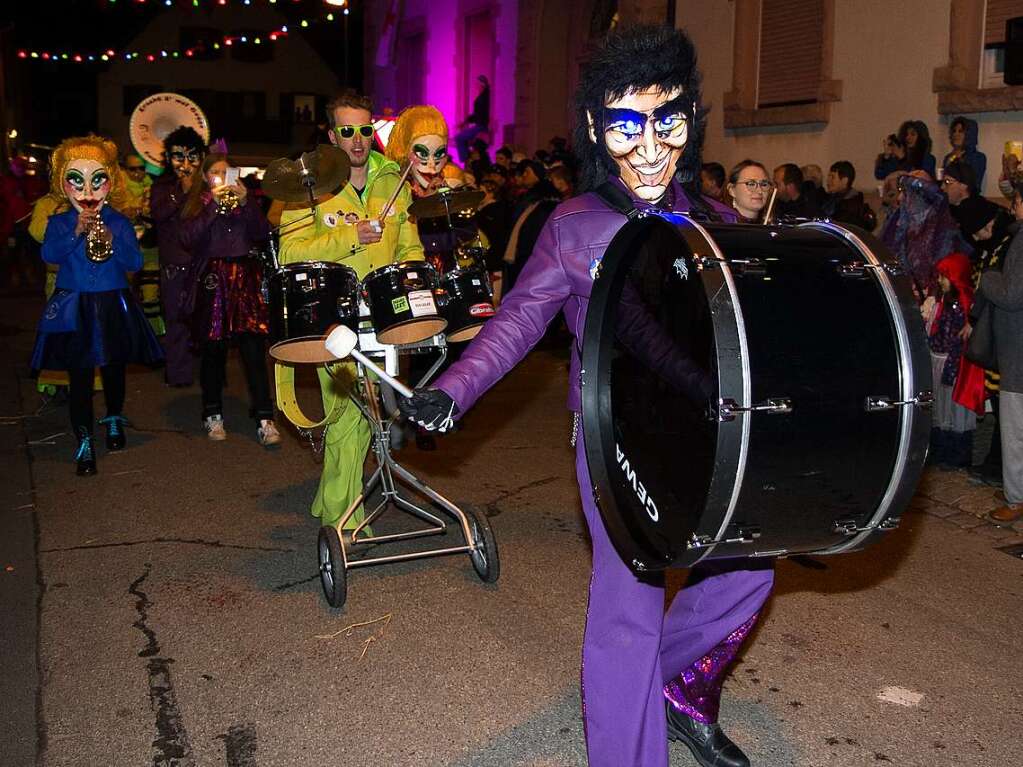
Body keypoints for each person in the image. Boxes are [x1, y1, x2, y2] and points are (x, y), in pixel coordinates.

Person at [400, 25, 772, 767]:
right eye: (625, 124)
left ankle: (668, 688)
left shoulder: (716, 223)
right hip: (613, 441)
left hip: (709, 438)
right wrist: (451, 389)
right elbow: (515, 323)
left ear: (689, 121)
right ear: (597, 130)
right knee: (626, 607)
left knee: (749, 570)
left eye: (664, 120)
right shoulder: (572, 226)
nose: (647, 146)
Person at [278, 88, 424, 531]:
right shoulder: (309, 185)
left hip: (384, 315)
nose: (358, 140)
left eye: (365, 129)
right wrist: (349, 237)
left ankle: (330, 505)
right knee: (348, 414)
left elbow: (410, 241)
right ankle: (345, 522)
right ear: (331, 134)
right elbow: (289, 252)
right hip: (331, 316)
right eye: (347, 131)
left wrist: (414, 271)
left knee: (366, 419)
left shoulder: (392, 178)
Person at [30, 135, 163, 475]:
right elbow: (49, 255)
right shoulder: (60, 221)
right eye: (77, 180)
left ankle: (114, 418)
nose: (87, 190)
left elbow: (134, 263)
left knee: (114, 368)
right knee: (80, 377)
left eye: (96, 179)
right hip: (75, 305)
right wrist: (75, 230)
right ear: (63, 183)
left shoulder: (117, 220)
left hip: (112, 302)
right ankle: (84, 439)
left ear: (109, 181)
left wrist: (115, 237)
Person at [178, 152, 280, 446]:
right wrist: (212, 206)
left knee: (253, 349)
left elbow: (263, 233)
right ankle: (212, 413)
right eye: (216, 173)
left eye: (227, 172)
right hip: (214, 278)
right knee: (213, 349)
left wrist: (247, 202)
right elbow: (187, 238)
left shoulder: (244, 203)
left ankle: (264, 417)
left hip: (246, 276)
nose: (223, 178)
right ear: (206, 178)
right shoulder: (198, 203)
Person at [962, 201, 1015, 486]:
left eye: (979, 231)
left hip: (1004, 335)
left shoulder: (1007, 245)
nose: (975, 237)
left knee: (1005, 403)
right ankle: (997, 464)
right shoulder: (992, 246)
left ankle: (1000, 467)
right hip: (995, 331)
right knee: (998, 399)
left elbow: (1001, 287)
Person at [980, 184, 1023, 524]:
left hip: (1018, 351)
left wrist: (987, 278)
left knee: (1014, 429)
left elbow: (1011, 294)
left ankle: (1016, 498)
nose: (1013, 207)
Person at [151, 126, 207, 387]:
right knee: (176, 322)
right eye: (178, 156)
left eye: (192, 156)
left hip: (204, 266)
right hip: (174, 267)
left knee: (207, 323)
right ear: (167, 158)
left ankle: (210, 377)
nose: (185, 163)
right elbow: (159, 214)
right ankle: (178, 375)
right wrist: (180, 191)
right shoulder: (162, 187)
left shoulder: (208, 186)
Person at [923, 252, 982, 467]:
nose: (939, 281)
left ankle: (956, 455)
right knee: (939, 407)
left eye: (943, 276)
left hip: (952, 364)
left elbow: (960, 342)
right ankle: (939, 450)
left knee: (952, 409)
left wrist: (951, 366)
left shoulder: (963, 306)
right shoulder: (942, 303)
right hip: (937, 360)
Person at [823, 161, 876, 231]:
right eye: (828, 177)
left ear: (844, 181)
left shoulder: (853, 204)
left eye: (832, 177)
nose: (828, 181)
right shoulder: (831, 199)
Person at [941, 116, 986, 190]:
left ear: (969, 134)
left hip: (969, 199)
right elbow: (942, 182)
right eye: (954, 131)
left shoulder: (979, 157)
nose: (955, 134)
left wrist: (960, 160)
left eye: (960, 131)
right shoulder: (948, 157)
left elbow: (974, 184)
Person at [454, 75, 491, 163]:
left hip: (482, 126)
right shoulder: (482, 96)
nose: (476, 86)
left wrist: (466, 122)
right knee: (461, 138)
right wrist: (465, 122)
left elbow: (480, 114)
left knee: (459, 138)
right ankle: (467, 158)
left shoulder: (485, 97)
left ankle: (466, 160)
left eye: (477, 83)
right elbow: (476, 114)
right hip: (479, 124)